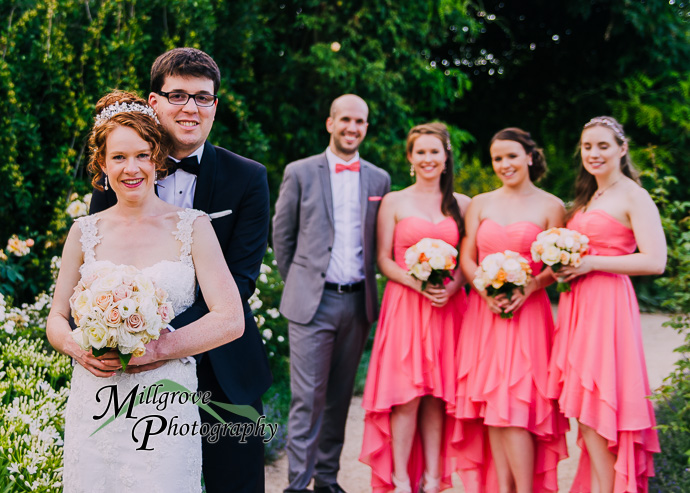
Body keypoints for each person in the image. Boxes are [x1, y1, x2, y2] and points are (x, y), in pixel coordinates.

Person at [89, 48, 272, 493]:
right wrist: (112, 333)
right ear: (154, 102)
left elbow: (242, 280)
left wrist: (157, 336)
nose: (190, 108)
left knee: (237, 484)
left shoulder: (248, 178)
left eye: (203, 98)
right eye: (178, 95)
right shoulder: (122, 171)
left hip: (224, 365)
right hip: (134, 373)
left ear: (215, 106)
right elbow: (95, 267)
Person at [47, 90, 245, 491]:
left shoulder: (193, 227)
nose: (130, 168)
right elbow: (56, 318)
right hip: (94, 405)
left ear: (156, 158)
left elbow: (230, 319)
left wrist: (158, 349)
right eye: (118, 157)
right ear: (102, 164)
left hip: (164, 409)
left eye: (141, 155)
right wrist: (76, 347)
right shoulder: (83, 232)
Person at [272, 94, 391, 493]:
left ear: (366, 128)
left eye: (359, 122)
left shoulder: (379, 179)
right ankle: (297, 483)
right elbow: (283, 236)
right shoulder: (300, 172)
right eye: (345, 120)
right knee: (308, 398)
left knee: (340, 397)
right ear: (330, 123)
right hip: (313, 303)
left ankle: (327, 479)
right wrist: (301, 283)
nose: (351, 128)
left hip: (357, 303)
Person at [547, 116, 666, 492]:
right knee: (584, 408)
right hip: (579, 304)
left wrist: (592, 263)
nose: (594, 153)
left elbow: (654, 260)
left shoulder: (634, 195)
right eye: (587, 147)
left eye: (602, 146)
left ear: (622, 148)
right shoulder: (588, 197)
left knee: (601, 407)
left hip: (608, 306)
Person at [453, 128, 568, 493]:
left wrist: (531, 285)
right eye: (498, 158)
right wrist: (484, 289)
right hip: (485, 314)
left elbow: (558, 263)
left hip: (528, 314)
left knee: (517, 408)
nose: (505, 164)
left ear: (530, 157)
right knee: (494, 410)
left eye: (512, 156)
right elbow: (467, 258)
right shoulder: (481, 202)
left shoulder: (552, 206)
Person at [359, 123, 470, 493]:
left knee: (438, 395)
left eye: (434, 152)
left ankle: (434, 478)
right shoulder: (394, 201)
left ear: (445, 156)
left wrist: (452, 287)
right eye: (420, 152)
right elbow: (384, 260)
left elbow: (469, 261)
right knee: (405, 396)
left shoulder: (463, 204)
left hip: (448, 309)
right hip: (406, 304)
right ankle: (402, 479)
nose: (428, 159)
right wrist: (417, 283)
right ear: (410, 157)